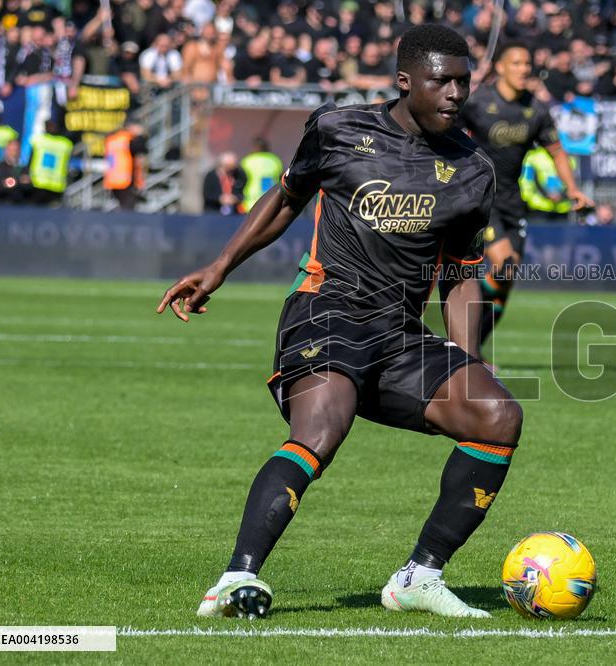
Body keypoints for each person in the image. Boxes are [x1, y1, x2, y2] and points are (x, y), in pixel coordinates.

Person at [157, 24, 520, 620]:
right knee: (321, 432)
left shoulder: (473, 168)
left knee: (498, 416)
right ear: (405, 82)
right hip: (326, 311)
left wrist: (467, 357)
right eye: (441, 81)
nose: (455, 93)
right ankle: (234, 579)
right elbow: (284, 201)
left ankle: (420, 577)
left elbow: (460, 272)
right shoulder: (339, 128)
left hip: (401, 332)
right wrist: (220, 266)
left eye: (463, 81)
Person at [460, 39, 594, 347]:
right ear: (501, 67)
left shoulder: (535, 108)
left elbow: (557, 151)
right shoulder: (479, 102)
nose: (523, 69)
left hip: (511, 199)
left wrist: (573, 189)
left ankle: (472, 349)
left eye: (527, 64)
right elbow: (446, 134)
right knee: (503, 265)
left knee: (507, 281)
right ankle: (461, 339)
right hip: (480, 197)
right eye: (517, 63)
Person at [103, 120, 147, 210]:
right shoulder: (128, 140)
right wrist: (141, 135)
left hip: (113, 180)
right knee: (127, 211)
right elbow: (141, 148)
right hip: (125, 181)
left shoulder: (113, 139)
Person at [239, 138, 283, 213]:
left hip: (250, 202)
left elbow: (240, 180)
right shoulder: (275, 160)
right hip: (270, 200)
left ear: (254, 147)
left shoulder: (247, 161)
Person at [0, 139, 32, 204]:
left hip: (20, 205)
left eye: (16, 150)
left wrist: (10, 182)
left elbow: (28, 186)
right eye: (11, 150)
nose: (14, 153)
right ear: (6, 151)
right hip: (3, 204)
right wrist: (19, 181)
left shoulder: (23, 168)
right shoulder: (0, 167)